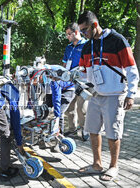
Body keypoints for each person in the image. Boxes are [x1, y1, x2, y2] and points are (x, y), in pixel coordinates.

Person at [77, 11, 139, 181]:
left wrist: (131, 94)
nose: (83, 34)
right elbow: (83, 73)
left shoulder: (118, 41)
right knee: (92, 130)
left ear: (95, 25)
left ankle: (113, 167)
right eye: (81, 31)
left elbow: (132, 71)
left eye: (85, 30)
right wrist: (70, 76)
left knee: (113, 132)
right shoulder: (87, 46)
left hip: (115, 95)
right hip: (95, 95)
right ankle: (97, 164)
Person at [62, 23, 89, 141]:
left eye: (69, 34)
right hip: (69, 81)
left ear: (76, 32)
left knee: (81, 108)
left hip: (83, 81)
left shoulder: (86, 45)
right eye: (67, 34)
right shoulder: (68, 47)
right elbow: (64, 63)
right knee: (69, 107)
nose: (67, 36)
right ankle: (72, 129)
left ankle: (85, 129)